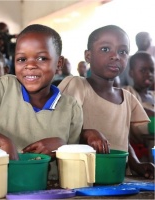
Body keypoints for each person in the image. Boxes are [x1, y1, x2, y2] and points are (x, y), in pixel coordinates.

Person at [0, 24, 83, 180]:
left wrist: (62, 147)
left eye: (41, 58)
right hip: (2, 184)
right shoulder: (5, 87)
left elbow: (75, 159)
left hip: (52, 189)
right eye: (22, 59)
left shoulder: (71, 107)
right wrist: (3, 141)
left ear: (59, 63)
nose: (30, 65)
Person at [58, 25, 154, 179]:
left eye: (122, 52)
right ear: (88, 56)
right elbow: (59, 127)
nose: (115, 56)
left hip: (117, 177)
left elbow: (122, 138)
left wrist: (136, 163)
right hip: (81, 177)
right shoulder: (77, 85)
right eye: (105, 49)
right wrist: (86, 134)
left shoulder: (127, 97)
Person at [124, 52, 154, 162]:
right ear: (131, 73)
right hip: (137, 154)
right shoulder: (127, 93)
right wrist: (145, 112)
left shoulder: (153, 95)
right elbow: (129, 109)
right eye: (143, 70)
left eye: (151, 70)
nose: (149, 74)